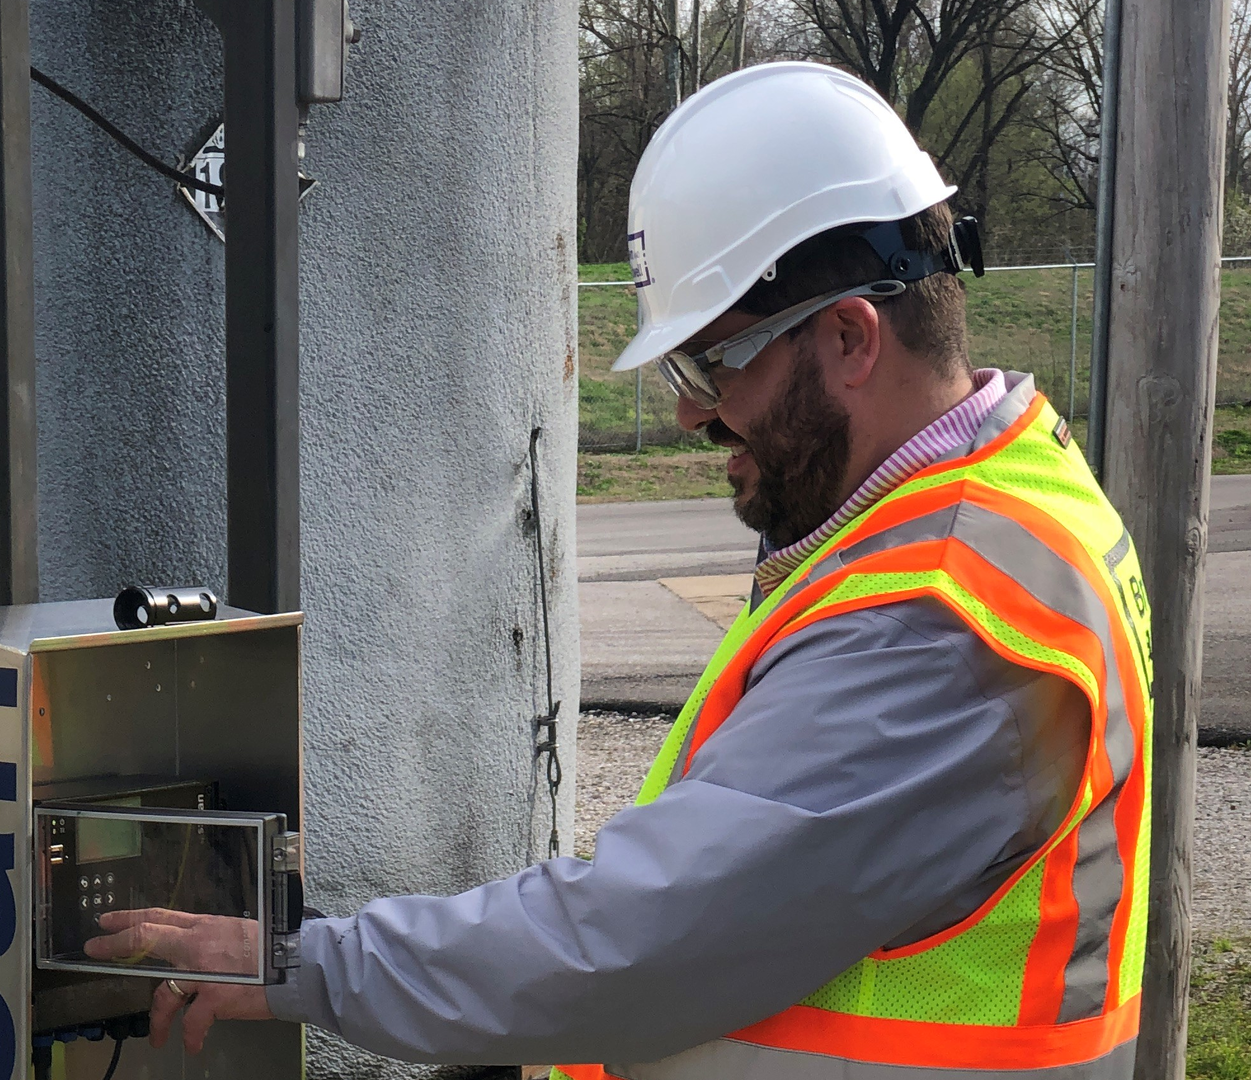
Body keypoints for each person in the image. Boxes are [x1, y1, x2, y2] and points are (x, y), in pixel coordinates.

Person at [86, 61, 1154, 1080]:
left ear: (849, 338)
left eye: (711, 363)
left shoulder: (937, 620)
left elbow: (638, 940)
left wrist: (302, 963)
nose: (690, 412)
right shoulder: (1002, 497)